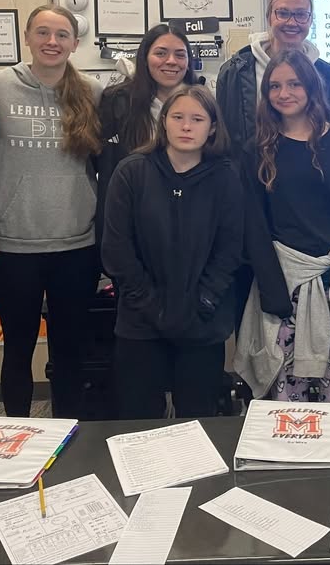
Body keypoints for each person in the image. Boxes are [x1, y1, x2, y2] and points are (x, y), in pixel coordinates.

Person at [234, 50, 330, 405]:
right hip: (286, 282)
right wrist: (272, 288)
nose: (283, 93)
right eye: (274, 86)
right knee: (288, 383)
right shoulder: (257, 149)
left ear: (311, 87)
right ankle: (292, 457)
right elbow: (253, 224)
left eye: (293, 84)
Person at [0, 4, 103, 419]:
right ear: (27, 37)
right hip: (15, 244)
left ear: (74, 43)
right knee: (17, 349)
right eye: (43, 33)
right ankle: (18, 432)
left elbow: (101, 164)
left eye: (61, 35)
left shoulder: (92, 92)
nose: (52, 42)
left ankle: (68, 431)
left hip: (76, 244)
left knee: (70, 349)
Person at [102, 86, 243, 419]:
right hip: (141, 320)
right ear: (163, 121)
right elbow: (117, 250)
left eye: (197, 119)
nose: (186, 126)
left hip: (202, 319)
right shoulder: (132, 172)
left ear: (212, 127)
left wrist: (202, 301)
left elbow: (230, 250)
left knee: (198, 416)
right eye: (178, 117)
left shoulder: (225, 177)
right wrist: (153, 306)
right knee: (139, 417)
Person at [96, 23, 199, 248]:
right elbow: (103, 165)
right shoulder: (117, 101)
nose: (171, 61)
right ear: (144, 57)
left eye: (180, 55)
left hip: (188, 224)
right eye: (161, 53)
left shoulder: (201, 104)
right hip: (131, 225)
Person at [216, 0, 330, 150]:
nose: (292, 22)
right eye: (283, 13)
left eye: (301, 14)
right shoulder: (235, 72)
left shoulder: (328, 77)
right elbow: (224, 138)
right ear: (269, 16)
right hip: (250, 173)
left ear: (310, 20)